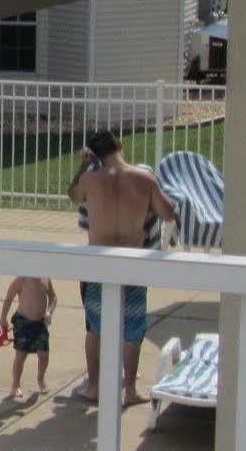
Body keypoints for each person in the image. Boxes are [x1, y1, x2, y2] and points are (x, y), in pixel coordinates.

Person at [67, 128, 177, 406]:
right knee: (133, 328)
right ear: (121, 144)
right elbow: (168, 212)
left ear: (93, 154)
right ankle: (129, 391)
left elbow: (73, 195)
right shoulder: (144, 179)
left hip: (100, 264)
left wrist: (84, 164)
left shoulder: (90, 180)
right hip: (133, 263)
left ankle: (94, 386)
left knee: (96, 327)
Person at [0, 275, 56, 399]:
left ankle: (40, 378)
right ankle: (15, 385)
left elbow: (53, 297)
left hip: (40, 323)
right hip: (23, 322)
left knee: (44, 355)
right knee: (21, 355)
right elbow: (9, 298)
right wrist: (3, 316)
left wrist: (49, 312)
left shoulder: (45, 278)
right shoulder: (21, 279)